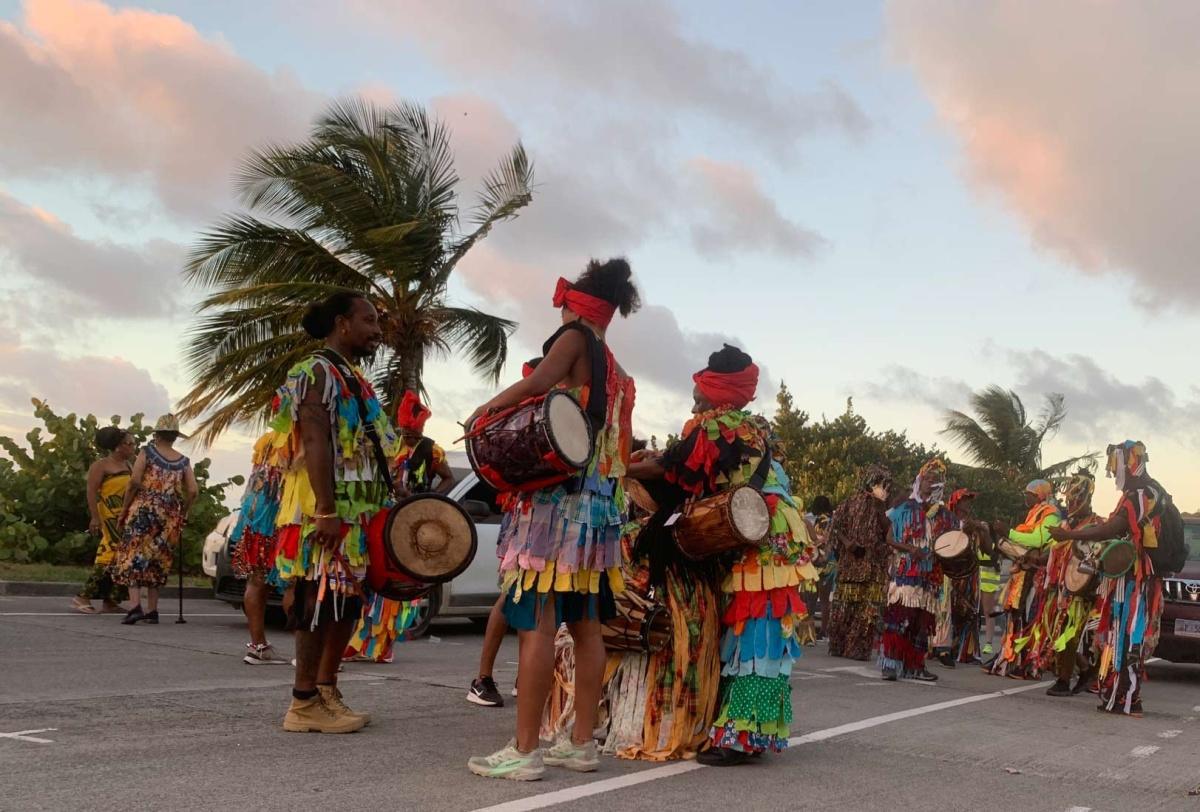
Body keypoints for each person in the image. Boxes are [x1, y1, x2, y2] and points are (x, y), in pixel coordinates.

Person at [467, 259, 639, 780]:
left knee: (537, 628)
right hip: (596, 513)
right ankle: (581, 744)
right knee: (587, 628)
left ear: (575, 305)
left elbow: (538, 382)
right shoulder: (616, 368)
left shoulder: (574, 338)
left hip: (555, 510)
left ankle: (523, 751)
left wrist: (484, 414)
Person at [633, 345, 814, 766]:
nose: (694, 398)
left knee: (756, 638)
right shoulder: (751, 428)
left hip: (764, 539)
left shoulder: (718, 426)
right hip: (769, 533)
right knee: (752, 641)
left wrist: (617, 466)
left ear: (716, 392)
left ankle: (740, 738)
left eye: (699, 391)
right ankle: (750, 731)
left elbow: (670, 466)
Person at [271, 290, 397, 734]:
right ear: (342, 324)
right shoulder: (316, 372)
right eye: (369, 321)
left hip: (355, 511)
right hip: (322, 510)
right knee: (316, 599)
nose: (377, 331)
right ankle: (303, 701)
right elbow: (315, 440)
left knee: (343, 602)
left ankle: (326, 690)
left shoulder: (352, 378)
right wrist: (325, 510)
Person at [1049, 442, 1166, 716]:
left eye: (1116, 467)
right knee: (1122, 635)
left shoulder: (1138, 494)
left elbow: (1112, 528)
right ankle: (1122, 695)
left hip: (1134, 577)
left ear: (1129, 464)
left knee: (1126, 634)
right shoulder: (1149, 491)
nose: (1113, 473)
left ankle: (1127, 698)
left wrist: (1071, 536)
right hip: (1132, 575)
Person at [343, 391, 456, 663]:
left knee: (400, 580)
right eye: (406, 432)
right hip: (382, 517)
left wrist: (425, 500)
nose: (409, 438)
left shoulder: (432, 450)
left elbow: (448, 479)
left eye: (413, 433)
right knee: (372, 576)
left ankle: (384, 645)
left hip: (412, 522)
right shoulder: (387, 444)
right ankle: (360, 642)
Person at [468, 357, 541, 708]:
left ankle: (524, 678)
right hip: (525, 519)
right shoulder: (517, 420)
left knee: (538, 601)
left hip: (546, 518)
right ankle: (482, 678)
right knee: (512, 596)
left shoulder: (548, 413)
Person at [110, 415, 198, 625]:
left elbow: (133, 482)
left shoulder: (147, 452)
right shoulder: (183, 461)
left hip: (144, 509)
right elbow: (193, 491)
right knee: (159, 558)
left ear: (157, 435)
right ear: (175, 437)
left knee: (132, 554)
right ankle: (152, 610)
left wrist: (124, 510)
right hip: (169, 515)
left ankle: (134, 607)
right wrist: (183, 511)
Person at [881, 458, 957, 682]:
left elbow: (951, 544)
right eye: (926, 479)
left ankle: (915, 665)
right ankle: (891, 664)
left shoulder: (945, 516)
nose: (929, 483)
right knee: (898, 619)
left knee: (921, 624)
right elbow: (888, 538)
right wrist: (910, 549)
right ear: (919, 480)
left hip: (929, 576)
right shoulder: (905, 507)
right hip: (905, 575)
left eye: (934, 480)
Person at [985, 480, 1061, 678]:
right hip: (1025, 571)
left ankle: (1028, 662)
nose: (1025, 497)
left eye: (1028, 493)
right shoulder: (1035, 512)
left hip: (1039, 574)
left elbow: (1038, 540)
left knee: (1031, 616)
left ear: (1039, 495)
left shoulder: (1050, 514)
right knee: (1016, 614)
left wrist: (1008, 533)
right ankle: (1009, 657)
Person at [1038, 469, 1102, 696]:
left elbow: (1093, 558)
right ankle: (1085, 669)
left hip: (1080, 591)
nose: (1071, 501)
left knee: (1067, 633)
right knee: (1058, 633)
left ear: (1087, 499)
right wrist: (1033, 559)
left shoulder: (1095, 525)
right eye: (1069, 498)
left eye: (1076, 497)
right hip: (1059, 588)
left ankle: (1064, 680)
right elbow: (1053, 553)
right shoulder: (1065, 525)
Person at [229, 431, 289, 665]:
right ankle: (306, 654)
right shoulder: (301, 437)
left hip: (255, 517)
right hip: (282, 519)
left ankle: (258, 646)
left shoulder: (267, 440)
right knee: (294, 583)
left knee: (256, 581)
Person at [825, 466, 893, 661]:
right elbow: (835, 528)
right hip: (851, 565)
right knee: (845, 606)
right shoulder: (850, 504)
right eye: (880, 484)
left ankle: (858, 648)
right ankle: (838, 645)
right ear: (870, 484)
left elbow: (887, 533)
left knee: (868, 611)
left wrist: (881, 512)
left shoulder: (884, 509)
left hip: (874, 567)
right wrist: (848, 544)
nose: (884, 489)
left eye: (886, 486)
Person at [74, 427, 135, 614]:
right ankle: (83, 596)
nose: (134, 447)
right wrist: (94, 517)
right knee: (108, 554)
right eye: (130, 443)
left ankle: (111, 600)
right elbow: (91, 492)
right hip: (109, 516)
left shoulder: (129, 465)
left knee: (125, 557)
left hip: (125, 517)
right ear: (118, 447)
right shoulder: (101, 466)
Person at [943, 489, 985, 665]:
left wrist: (982, 531)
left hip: (971, 576)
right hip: (953, 574)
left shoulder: (974, 524)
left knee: (971, 613)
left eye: (969, 501)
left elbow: (987, 550)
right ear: (956, 503)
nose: (968, 504)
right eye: (964, 500)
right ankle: (946, 648)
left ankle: (968, 651)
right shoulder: (948, 521)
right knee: (951, 611)